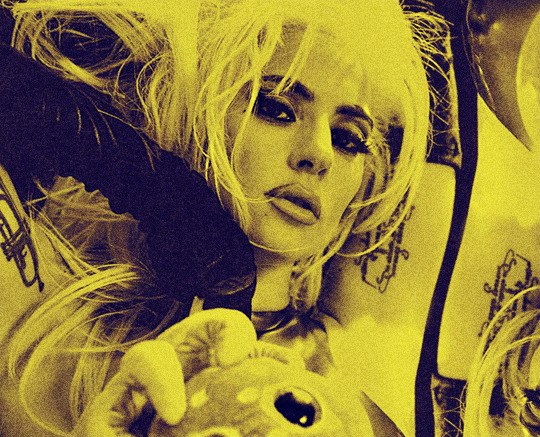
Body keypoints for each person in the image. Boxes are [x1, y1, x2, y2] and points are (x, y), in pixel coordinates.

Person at [0, 0, 446, 435]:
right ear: (194, 111)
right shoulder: (38, 341)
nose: (319, 154)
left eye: (348, 139)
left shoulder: (358, 413)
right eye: (277, 109)